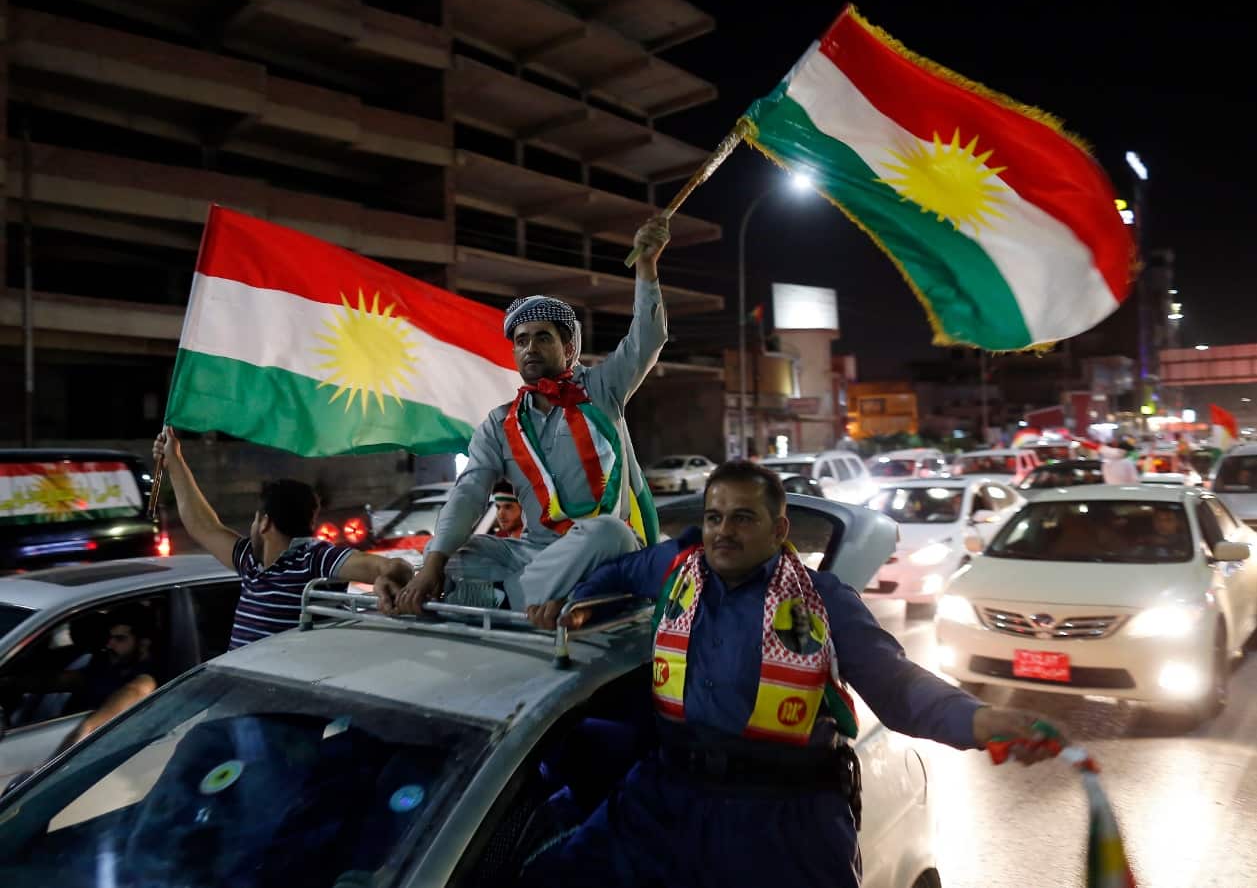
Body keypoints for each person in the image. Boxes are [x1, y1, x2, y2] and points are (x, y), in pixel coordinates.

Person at [523, 461, 1064, 888]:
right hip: (668, 801)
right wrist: (582, 600)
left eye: (742, 518)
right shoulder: (673, 570)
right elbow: (616, 570)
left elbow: (895, 686)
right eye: (714, 517)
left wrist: (984, 719)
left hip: (785, 820)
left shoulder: (823, 601)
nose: (723, 532)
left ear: (778, 527)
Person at [378, 217, 671, 615]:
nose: (529, 348)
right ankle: (534, 597)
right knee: (460, 552)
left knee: (610, 532)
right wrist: (432, 565)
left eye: (542, 337)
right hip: (533, 552)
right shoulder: (501, 423)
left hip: (595, 547)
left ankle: (507, 600)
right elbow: (468, 493)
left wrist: (647, 269)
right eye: (521, 341)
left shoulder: (602, 391)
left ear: (568, 348)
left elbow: (647, 340)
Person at [154, 427, 414, 648]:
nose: (252, 526)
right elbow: (202, 526)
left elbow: (393, 567)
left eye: (255, 519)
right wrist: (174, 460)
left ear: (265, 523)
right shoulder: (249, 560)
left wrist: (388, 577)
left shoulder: (313, 558)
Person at [0, 608, 159, 755]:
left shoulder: (147, 676)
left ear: (144, 644)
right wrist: (10, 682)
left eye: (120, 639)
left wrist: (86, 729)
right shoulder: (107, 664)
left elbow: (138, 690)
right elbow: (65, 680)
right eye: (110, 638)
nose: (109, 645)